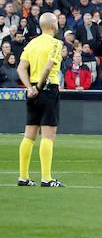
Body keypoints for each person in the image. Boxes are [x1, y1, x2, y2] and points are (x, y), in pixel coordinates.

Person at [16, 12, 65, 187]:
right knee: (48, 135)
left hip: (32, 92)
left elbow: (21, 68)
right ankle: (46, 178)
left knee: (29, 134)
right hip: (48, 89)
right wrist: (38, 87)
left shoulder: (32, 43)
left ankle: (23, 176)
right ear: (53, 26)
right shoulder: (56, 44)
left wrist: (30, 87)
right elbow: (48, 67)